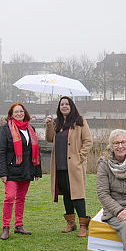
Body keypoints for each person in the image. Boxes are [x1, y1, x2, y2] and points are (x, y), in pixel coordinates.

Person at [45, 96, 93, 237]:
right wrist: (48, 125)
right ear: (59, 107)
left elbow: (88, 141)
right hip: (59, 164)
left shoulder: (80, 121)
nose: (64, 106)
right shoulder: (56, 123)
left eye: (67, 104)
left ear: (71, 106)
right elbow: (49, 139)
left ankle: (83, 225)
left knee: (77, 194)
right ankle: (71, 223)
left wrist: (80, 157)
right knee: (66, 193)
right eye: (62, 104)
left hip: (74, 165)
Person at [0, 103, 42, 240]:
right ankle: (6, 226)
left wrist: (37, 171)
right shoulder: (5, 129)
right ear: (11, 114)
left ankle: (19, 225)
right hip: (11, 171)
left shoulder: (30, 128)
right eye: (16, 112)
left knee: (21, 198)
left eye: (21, 111)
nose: (19, 114)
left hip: (26, 170)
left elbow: (35, 151)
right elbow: (0, 152)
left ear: (25, 113)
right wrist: (3, 173)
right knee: (9, 198)